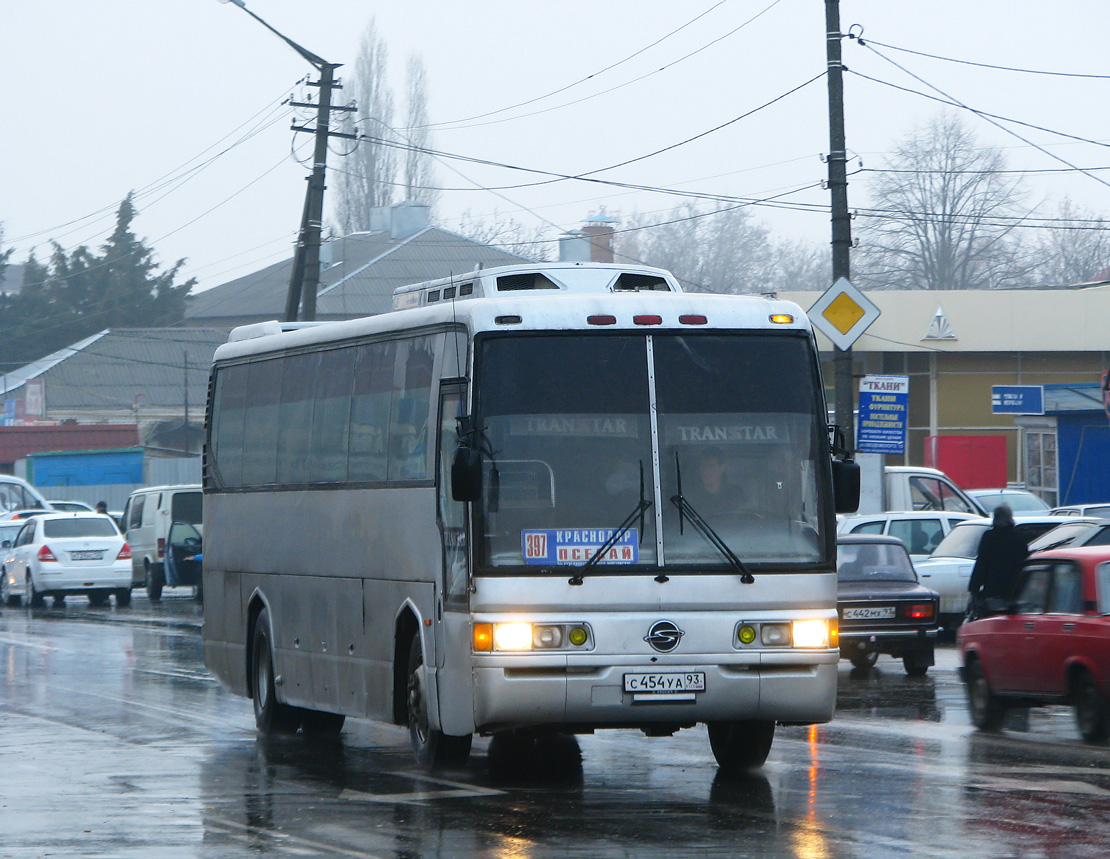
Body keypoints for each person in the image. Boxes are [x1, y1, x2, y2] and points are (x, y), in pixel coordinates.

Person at [967, 504, 1028, 618]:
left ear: (996, 518)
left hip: (993, 590)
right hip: (1014, 590)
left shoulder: (989, 537)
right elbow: (1025, 562)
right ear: (1010, 517)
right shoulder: (1019, 537)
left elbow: (982, 564)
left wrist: (974, 588)